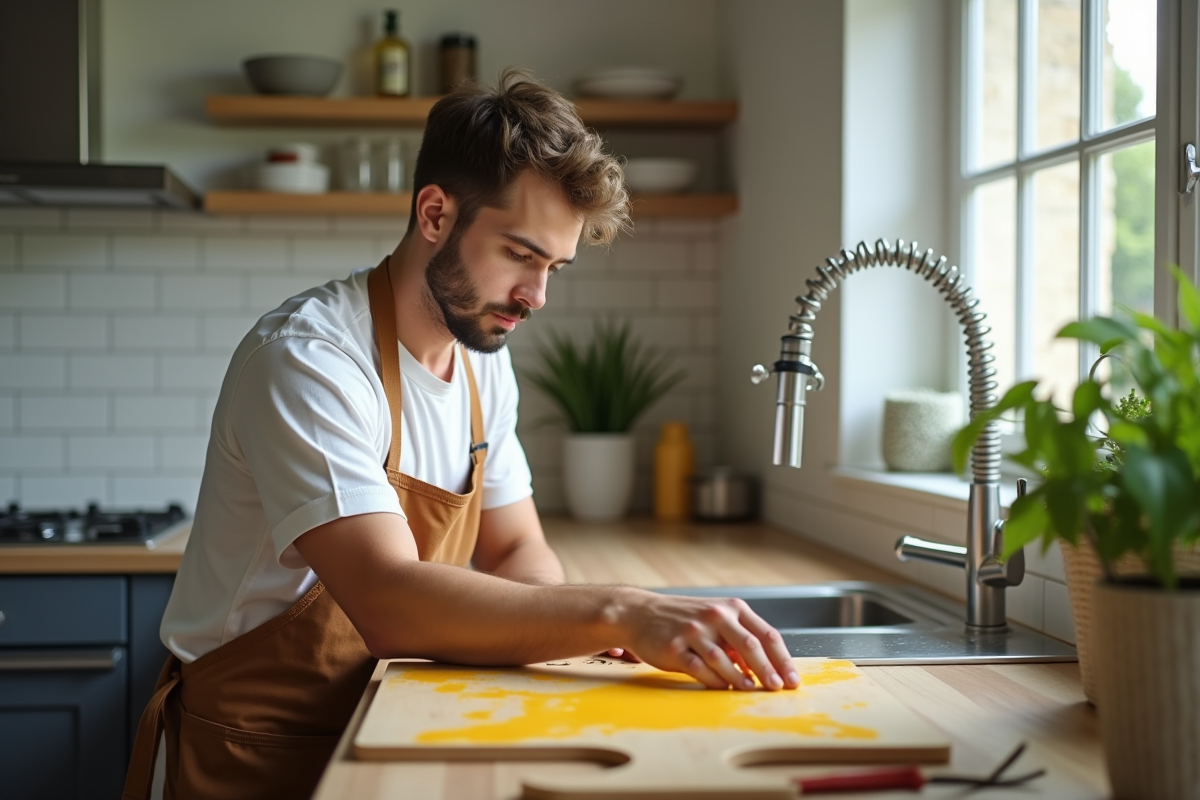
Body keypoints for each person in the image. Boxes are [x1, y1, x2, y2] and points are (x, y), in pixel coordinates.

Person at [122, 69, 798, 800]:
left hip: (394, 728)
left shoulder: (480, 363)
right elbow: (386, 599)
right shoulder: (309, 360)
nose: (536, 297)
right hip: (255, 754)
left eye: (554, 267)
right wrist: (619, 610)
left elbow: (515, 548)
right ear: (436, 214)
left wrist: (567, 635)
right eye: (520, 254)